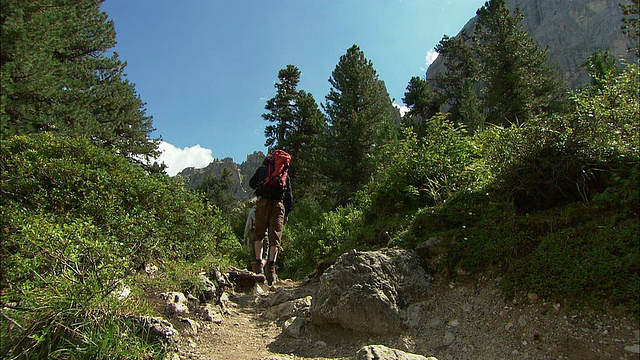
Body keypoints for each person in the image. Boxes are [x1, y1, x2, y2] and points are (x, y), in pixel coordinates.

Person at [249, 152, 293, 285]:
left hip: (262, 203)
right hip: (278, 205)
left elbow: (252, 183)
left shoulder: (262, 170)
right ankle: (271, 270)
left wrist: (261, 185)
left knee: (259, 234)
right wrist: (286, 214)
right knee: (275, 238)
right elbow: (289, 196)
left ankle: (258, 266)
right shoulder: (284, 174)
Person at [243, 203, 268, 271]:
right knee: (265, 256)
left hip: (253, 233)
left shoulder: (252, 211)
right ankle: (261, 269)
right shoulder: (267, 210)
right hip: (265, 233)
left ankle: (256, 274)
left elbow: (248, 225)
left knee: (253, 256)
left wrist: (245, 238)